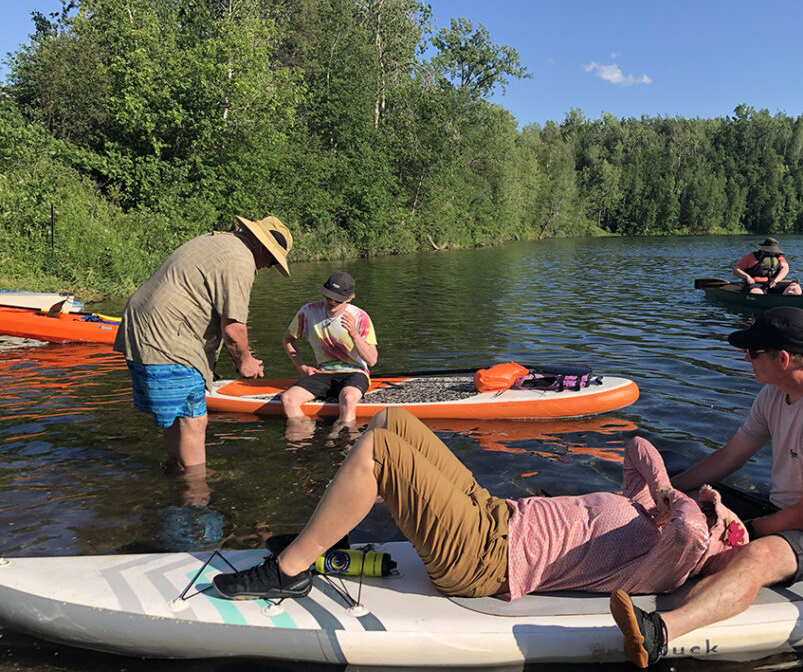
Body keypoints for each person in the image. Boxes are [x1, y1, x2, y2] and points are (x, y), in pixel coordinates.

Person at [212, 406, 749, 601]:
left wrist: (689, 504)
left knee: (379, 454)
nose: (714, 521)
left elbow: (689, 533)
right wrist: (665, 493)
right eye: (724, 521)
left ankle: (289, 572)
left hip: (487, 561)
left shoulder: (669, 563)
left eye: (721, 529)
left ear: (713, 550)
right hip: (492, 513)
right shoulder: (653, 511)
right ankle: (331, 536)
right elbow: (637, 447)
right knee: (393, 422)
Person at [611, 307, 803, 668]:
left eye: (753, 352)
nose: (745, 357)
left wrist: (747, 532)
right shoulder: (774, 394)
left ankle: (658, 632)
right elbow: (728, 458)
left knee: (755, 557)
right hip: (785, 510)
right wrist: (665, 492)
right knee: (689, 490)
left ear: (782, 359)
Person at [114, 215, 292, 469]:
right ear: (261, 247)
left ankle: (176, 479)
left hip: (140, 330)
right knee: (193, 421)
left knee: (178, 418)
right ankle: (196, 497)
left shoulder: (219, 242)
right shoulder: (240, 259)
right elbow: (233, 329)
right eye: (272, 260)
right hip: (170, 337)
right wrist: (246, 362)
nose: (267, 267)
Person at [279, 272, 378, 431]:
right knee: (288, 399)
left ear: (349, 298)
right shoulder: (308, 311)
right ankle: (304, 440)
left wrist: (353, 333)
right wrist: (302, 367)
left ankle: (344, 442)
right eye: (327, 296)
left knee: (348, 399)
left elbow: (372, 360)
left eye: (336, 299)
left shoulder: (360, 317)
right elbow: (288, 340)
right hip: (323, 372)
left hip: (355, 372)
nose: (331, 301)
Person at [733, 237, 802, 295]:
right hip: (755, 285)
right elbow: (736, 270)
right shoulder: (751, 257)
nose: (774, 252)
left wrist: (775, 280)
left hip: (773, 284)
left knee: (795, 287)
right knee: (757, 293)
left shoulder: (778, 257)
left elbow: (785, 268)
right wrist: (747, 277)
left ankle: (788, 301)